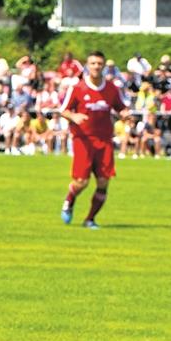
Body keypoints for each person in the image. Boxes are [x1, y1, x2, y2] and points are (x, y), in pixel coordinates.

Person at [59, 50, 132, 229]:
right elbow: (64, 110)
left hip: (104, 140)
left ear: (104, 66)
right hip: (84, 140)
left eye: (99, 63)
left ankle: (90, 219)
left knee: (103, 181)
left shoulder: (111, 88)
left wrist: (125, 114)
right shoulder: (78, 88)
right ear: (87, 66)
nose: (96, 67)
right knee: (81, 182)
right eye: (93, 63)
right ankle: (70, 199)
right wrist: (74, 117)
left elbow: (120, 107)